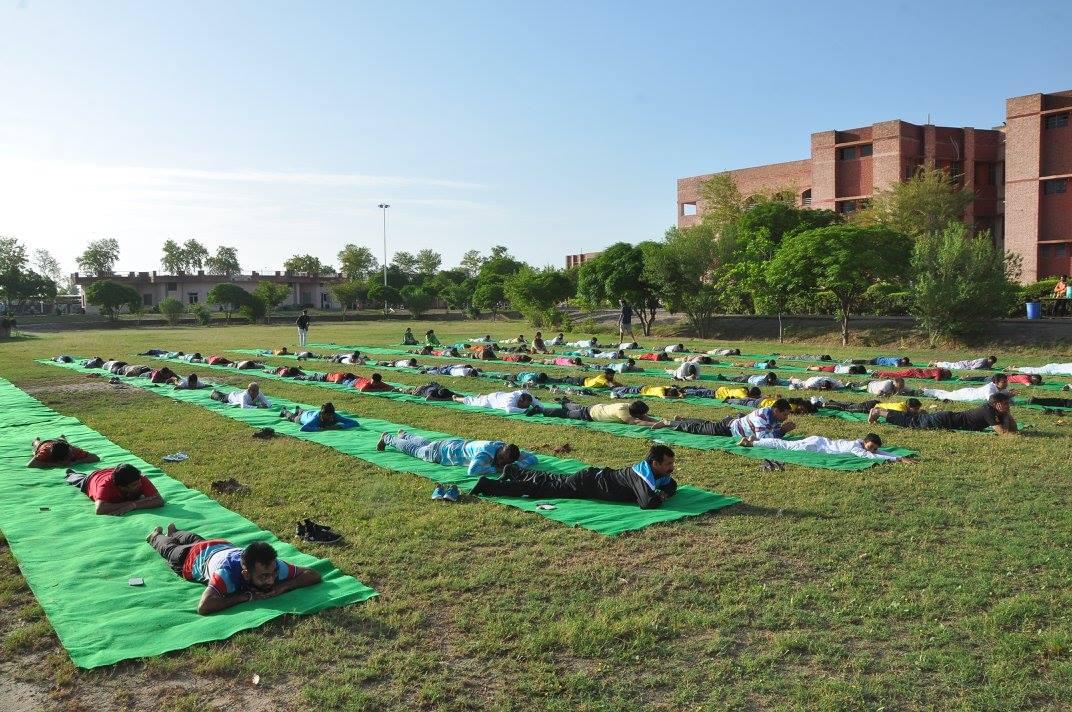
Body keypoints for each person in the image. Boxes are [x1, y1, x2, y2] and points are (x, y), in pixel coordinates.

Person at [146, 522, 321, 615]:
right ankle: (156, 535)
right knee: (169, 549)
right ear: (245, 573)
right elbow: (204, 607)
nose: (270, 580)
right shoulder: (226, 574)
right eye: (263, 577)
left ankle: (175, 531)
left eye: (272, 575)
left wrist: (283, 586)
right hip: (190, 558)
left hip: (218, 545)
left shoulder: (274, 566)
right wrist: (245, 596)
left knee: (195, 538)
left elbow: (312, 574)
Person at [468, 444, 678, 510]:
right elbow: (647, 503)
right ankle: (488, 485)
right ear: (655, 464)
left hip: (591, 479)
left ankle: (516, 471)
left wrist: (665, 491)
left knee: (551, 481)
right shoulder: (642, 475)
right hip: (586, 484)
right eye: (668, 464)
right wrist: (661, 496)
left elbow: (672, 485)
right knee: (538, 490)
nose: (671, 468)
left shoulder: (655, 473)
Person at [377, 431, 537, 476]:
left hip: (452, 444)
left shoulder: (503, 447)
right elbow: (472, 471)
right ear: (500, 455)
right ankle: (388, 438)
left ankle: (405, 435)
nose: (502, 463)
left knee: (426, 443)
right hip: (441, 453)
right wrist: (496, 470)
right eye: (502, 461)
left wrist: (517, 464)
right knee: (414, 450)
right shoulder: (484, 455)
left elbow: (532, 457)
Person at [870, 392, 1018, 434]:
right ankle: (878, 411)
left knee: (915, 419)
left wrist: (1007, 414)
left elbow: (1013, 429)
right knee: (910, 422)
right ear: (995, 404)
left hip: (946, 418)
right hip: (943, 421)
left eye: (1007, 403)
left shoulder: (992, 409)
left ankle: (881, 412)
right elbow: (1005, 434)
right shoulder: (988, 411)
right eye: (1004, 404)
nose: (1007, 405)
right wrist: (1006, 416)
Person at [65, 463, 165, 515]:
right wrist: (128, 504)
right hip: (91, 479)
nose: (140, 485)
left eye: (139, 482)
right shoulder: (105, 486)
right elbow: (100, 509)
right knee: (72, 476)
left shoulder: (140, 479)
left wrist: (134, 505)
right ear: (122, 487)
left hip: (110, 472)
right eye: (134, 485)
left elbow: (159, 500)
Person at [666, 399, 795, 439]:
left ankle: (683, 419)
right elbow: (762, 439)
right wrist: (782, 431)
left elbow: (771, 432)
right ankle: (669, 423)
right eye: (785, 414)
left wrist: (780, 429)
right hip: (728, 429)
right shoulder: (762, 416)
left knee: (705, 424)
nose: (786, 418)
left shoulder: (774, 417)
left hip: (733, 423)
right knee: (698, 429)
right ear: (776, 411)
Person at [741, 433, 911, 462]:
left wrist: (897, 457)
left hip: (819, 441)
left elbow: (875, 452)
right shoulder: (855, 447)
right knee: (783, 445)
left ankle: (756, 440)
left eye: (873, 448)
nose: (872, 450)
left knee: (784, 444)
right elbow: (870, 456)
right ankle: (753, 442)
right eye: (871, 446)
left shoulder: (860, 443)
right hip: (813, 447)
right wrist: (896, 458)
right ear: (866, 442)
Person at [534, 399, 668, 428]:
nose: (642, 416)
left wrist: (657, 420)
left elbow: (643, 417)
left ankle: (565, 401)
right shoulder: (623, 412)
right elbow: (637, 421)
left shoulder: (630, 406)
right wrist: (657, 424)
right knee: (566, 413)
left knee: (579, 406)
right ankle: (540, 410)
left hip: (595, 406)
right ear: (635, 412)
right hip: (590, 414)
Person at [923, 374, 1010, 402]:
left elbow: (1006, 396)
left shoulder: (1003, 387)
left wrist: (1009, 395)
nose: (1006, 384)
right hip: (966, 395)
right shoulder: (989, 388)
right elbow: (991, 400)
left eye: (1006, 381)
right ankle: (926, 391)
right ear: (996, 382)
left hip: (970, 391)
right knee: (945, 395)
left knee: (947, 393)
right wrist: (1008, 396)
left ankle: (928, 390)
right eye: (1004, 382)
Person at [279, 402, 359, 431]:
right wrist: (321, 429)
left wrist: (342, 426)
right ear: (322, 413)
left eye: (331, 415)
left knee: (302, 411)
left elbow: (354, 422)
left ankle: (298, 409)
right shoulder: (315, 419)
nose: (330, 417)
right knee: (292, 417)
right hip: (302, 418)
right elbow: (303, 428)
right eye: (328, 415)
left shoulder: (334, 415)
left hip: (309, 412)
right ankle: (284, 411)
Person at [27, 436, 99, 468]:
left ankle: (62, 438)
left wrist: (76, 462)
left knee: (63, 441)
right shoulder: (45, 452)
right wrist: (56, 465)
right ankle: (35, 440)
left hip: (60, 443)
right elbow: (30, 464)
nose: (72, 455)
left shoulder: (72, 449)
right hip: (44, 444)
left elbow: (95, 457)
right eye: (70, 455)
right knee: (37, 444)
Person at [453, 390, 538, 414]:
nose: (525, 407)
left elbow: (538, 404)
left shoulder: (526, 394)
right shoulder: (510, 400)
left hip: (500, 395)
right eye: (524, 406)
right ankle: (456, 398)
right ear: (520, 401)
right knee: (472, 401)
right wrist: (525, 411)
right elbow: (509, 409)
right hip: (491, 401)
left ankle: (481, 396)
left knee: (485, 397)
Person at [610, 384, 684, 399]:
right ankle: (613, 391)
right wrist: (678, 397)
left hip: (642, 387)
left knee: (626, 388)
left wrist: (679, 394)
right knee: (620, 390)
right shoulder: (660, 391)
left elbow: (673, 387)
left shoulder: (664, 387)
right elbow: (664, 397)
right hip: (638, 390)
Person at [873, 367, 951, 381]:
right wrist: (942, 377)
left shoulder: (938, 370)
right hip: (914, 373)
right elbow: (937, 379)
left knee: (896, 374)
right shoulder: (938, 371)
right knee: (897, 375)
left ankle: (879, 373)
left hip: (914, 372)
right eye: (946, 376)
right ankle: (879, 374)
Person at [929, 356, 998, 370]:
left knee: (950, 364)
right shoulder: (982, 361)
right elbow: (973, 368)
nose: (990, 364)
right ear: (988, 359)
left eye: (992, 363)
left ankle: (937, 363)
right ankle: (935, 363)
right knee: (950, 366)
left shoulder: (986, 362)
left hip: (964, 364)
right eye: (990, 362)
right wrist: (985, 369)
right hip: (963, 365)